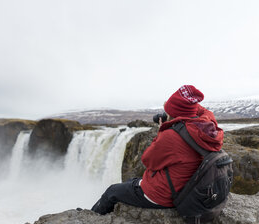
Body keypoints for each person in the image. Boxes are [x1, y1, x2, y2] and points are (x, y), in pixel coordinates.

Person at [91, 85, 224, 215]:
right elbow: (206, 112)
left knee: (112, 191)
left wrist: (163, 129)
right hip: (188, 189)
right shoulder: (208, 127)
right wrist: (184, 105)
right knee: (130, 181)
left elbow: (148, 161)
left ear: (174, 113)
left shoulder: (171, 136)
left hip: (164, 196)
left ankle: (92, 217)